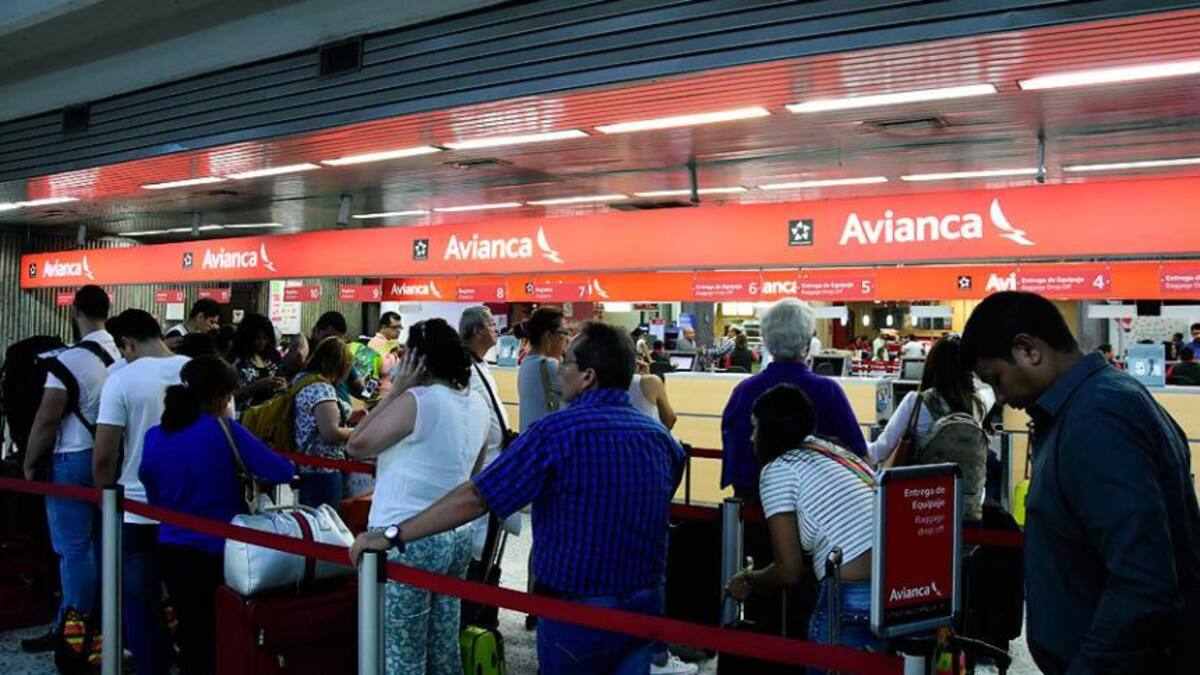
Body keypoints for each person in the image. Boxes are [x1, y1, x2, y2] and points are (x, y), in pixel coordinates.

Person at [349, 321, 687, 675]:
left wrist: (392, 534)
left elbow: (478, 496)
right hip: (644, 604)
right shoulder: (661, 439)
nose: (560, 368)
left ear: (588, 376)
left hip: (574, 611)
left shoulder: (555, 434)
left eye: (567, 361)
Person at [961, 291, 1200, 675]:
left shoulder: (1096, 418)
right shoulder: (1104, 399)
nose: (1000, 397)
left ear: (1028, 350)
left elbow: (1142, 581)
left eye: (996, 379)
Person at [343, 319, 487, 675]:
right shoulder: (478, 406)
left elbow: (356, 444)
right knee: (443, 646)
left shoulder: (416, 401)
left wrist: (395, 392)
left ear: (418, 361)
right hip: (456, 537)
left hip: (404, 537)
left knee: (402, 651)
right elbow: (472, 476)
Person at [139, 356, 294, 675]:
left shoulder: (154, 435)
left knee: (188, 622)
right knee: (220, 625)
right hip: (220, 549)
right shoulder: (225, 431)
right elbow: (280, 471)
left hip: (170, 544)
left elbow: (151, 489)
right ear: (221, 397)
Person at [726, 385, 884, 658]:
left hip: (850, 595)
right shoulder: (832, 449)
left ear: (770, 431)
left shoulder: (779, 470)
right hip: (895, 587)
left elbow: (789, 570)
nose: (751, 438)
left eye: (756, 428)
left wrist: (749, 579)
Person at [19, 286, 120, 657]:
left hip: (73, 459)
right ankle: (103, 628)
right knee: (103, 544)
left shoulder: (70, 359)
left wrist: (30, 463)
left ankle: (73, 630)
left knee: (74, 549)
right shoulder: (121, 352)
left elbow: (47, 419)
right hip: (113, 458)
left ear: (75, 311)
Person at [93, 309, 188, 675]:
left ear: (127, 343)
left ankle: (152, 666)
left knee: (140, 602)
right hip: (195, 511)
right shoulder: (199, 371)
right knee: (192, 601)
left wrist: (105, 501)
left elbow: (104, 456)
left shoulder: (121, 380)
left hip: (136, 509)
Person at [721, 299, 867, 499]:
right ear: (808, 343)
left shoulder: (743, 391)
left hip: (753, 500)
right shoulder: (828, 391)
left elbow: (732, 453)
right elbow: (857, 452)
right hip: (815, 502)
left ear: (767, 342)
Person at [867, 336, 994, 519]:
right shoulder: (980, 403)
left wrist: (848, 442)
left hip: (924, 506)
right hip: (969, 507)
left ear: (931, 365)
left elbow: (879, 451)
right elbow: (989, 386)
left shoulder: (915, 402)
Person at [292, 336, 355, 507]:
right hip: (324, 470)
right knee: (326, 519)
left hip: (306, 466)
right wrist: (356, 432)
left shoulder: (301, 379)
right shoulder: (322, 389)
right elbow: (331, 432)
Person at [517, 306, 567, 432]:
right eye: (564, 333)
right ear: (548, 336)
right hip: (548, 440)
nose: (566, 339)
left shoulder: (526, 363)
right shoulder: (550, 365)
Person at [228, 313, 287, 413]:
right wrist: (257, 386)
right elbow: (229, 397)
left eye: (265, 338)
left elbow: (282, 377)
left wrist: (282, 385)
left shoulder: (273, 356)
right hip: (245, 416)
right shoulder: (236, 360)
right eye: (257, 338)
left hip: (270, 415)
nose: (262, 342)